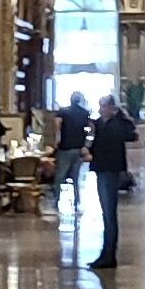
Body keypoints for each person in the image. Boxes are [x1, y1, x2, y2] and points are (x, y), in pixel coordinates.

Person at [85, 90, 136, 272]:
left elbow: (131, 134)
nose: (101, 110)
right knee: (106, 213)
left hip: (111, 170)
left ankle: (109, 255)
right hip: (101, 169)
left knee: (109, 214)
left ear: (111, 108)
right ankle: (106, 254)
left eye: (104, 106)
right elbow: (91, 141)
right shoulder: (98, 124)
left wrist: (121, 115)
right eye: (100, 106)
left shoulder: (118, 125)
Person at [52, 93, 90, 231]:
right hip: (78, 148)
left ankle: (56, 202)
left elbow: (57, 126)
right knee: (75, 178)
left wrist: (57, 140)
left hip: (65, 148)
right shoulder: (84, 113)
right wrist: (86, 145)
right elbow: (89, 129)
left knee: (60, 176)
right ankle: (76, 203)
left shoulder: (63, 112)